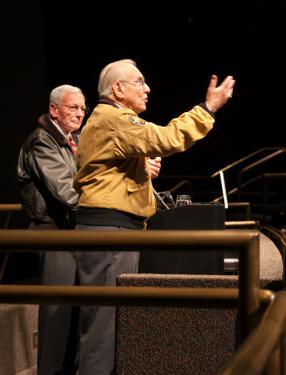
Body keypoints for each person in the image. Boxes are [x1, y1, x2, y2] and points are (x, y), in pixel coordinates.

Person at [73, 59, 235, 374]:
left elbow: (103, 168)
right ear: (118, 89)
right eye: (140, 82)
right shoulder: (113, 118)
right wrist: (208, 108)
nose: (147, 88)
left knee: (109, 326)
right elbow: (168, 138)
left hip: (116, 230)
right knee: (103, 332)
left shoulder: (109, 120)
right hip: (110, 232)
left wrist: (140, 171)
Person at [16, 84, 86, 375]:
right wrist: (100, 208)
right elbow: (66, 192)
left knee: (77, 314)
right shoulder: (42, 141)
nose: (79, 114)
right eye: (73, 107)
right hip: (53, 231)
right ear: (54, 109)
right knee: (57, 315)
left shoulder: (74, 140)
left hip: (74, 231)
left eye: (83, 108)